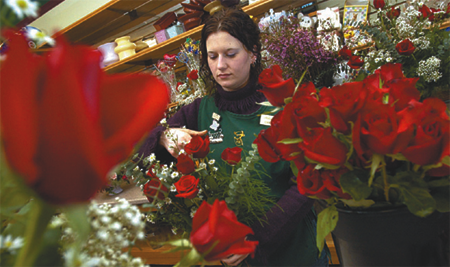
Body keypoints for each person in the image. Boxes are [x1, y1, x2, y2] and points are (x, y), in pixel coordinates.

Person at [138, 7, 329, 266]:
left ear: (252, 53)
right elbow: (139, 146)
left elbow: (306, 186)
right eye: (212, 56)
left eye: (230, 54)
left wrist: (257, 240)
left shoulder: (284, 106)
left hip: (293, 250)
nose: (220, 65)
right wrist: (163, 137)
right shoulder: (198, 111)